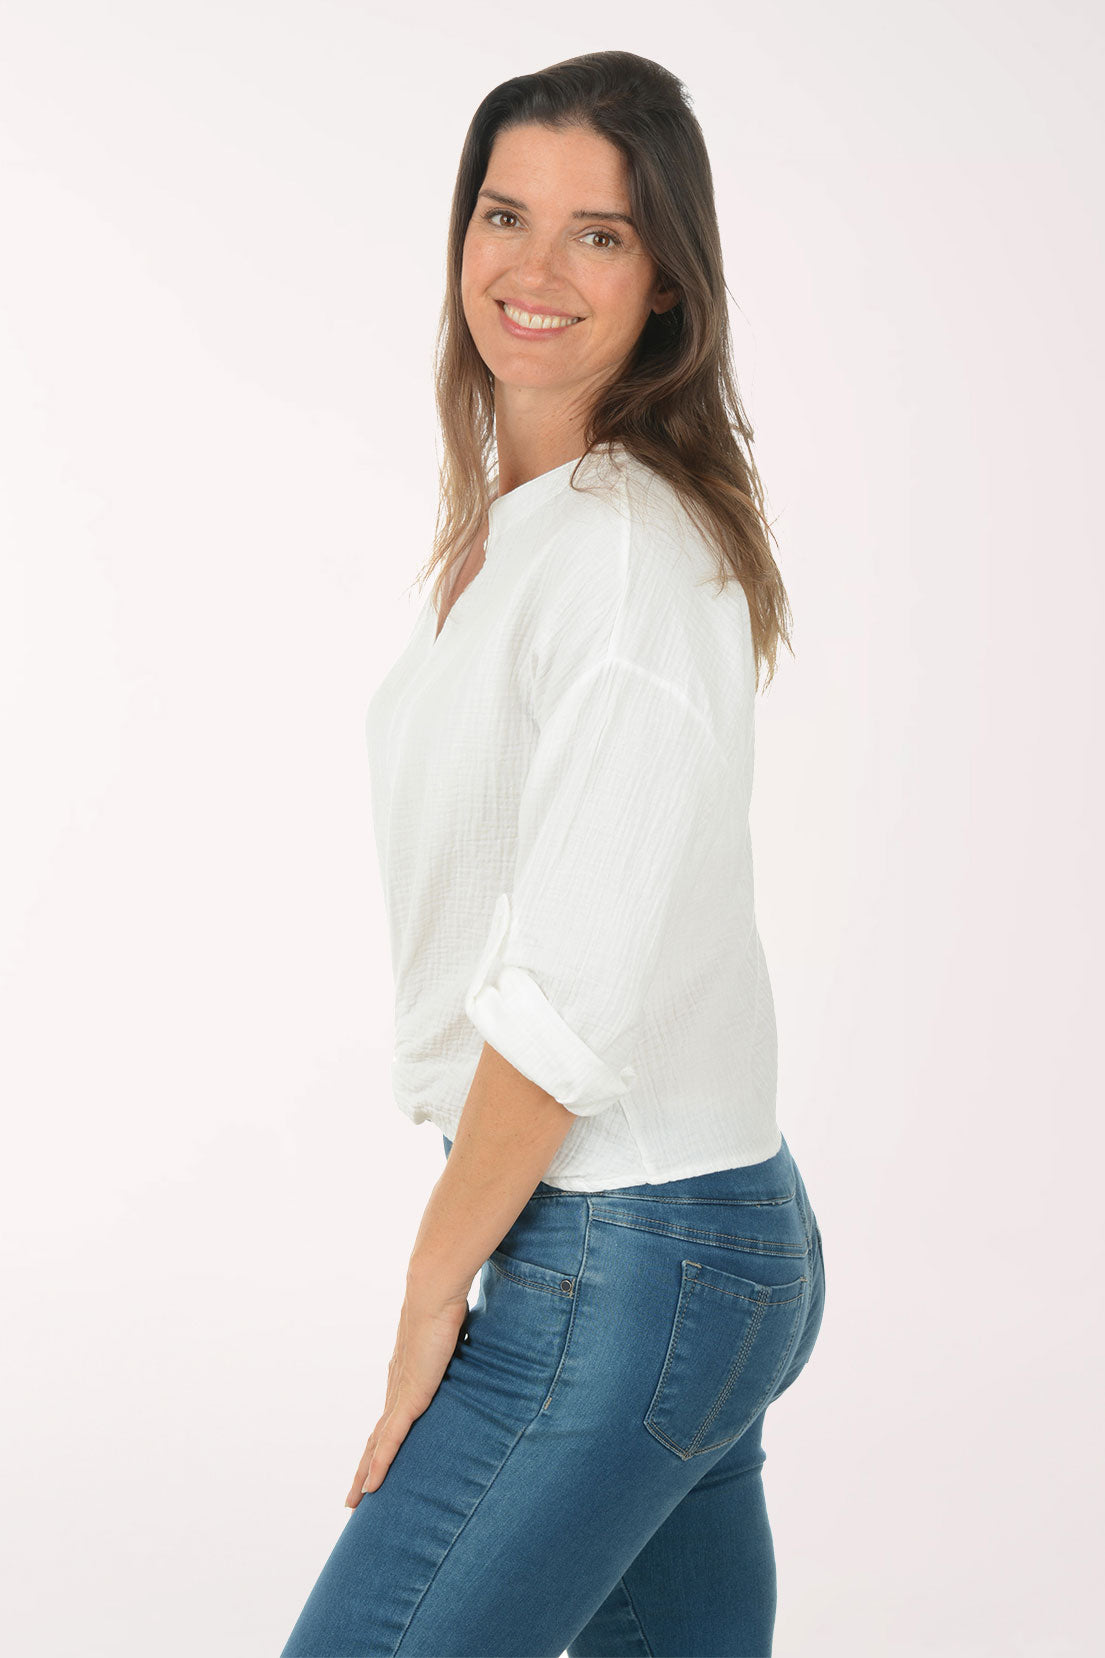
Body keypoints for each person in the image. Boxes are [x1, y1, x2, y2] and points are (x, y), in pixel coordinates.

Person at [280, 48, 826, 1658]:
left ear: (666, 284)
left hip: (624, 1249)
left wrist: (426, 1296)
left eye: (599, 233)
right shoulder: (532, 529)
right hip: (672, 1240)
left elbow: (563, 999)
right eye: (504, 213)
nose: (533, 266)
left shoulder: (618, 557)